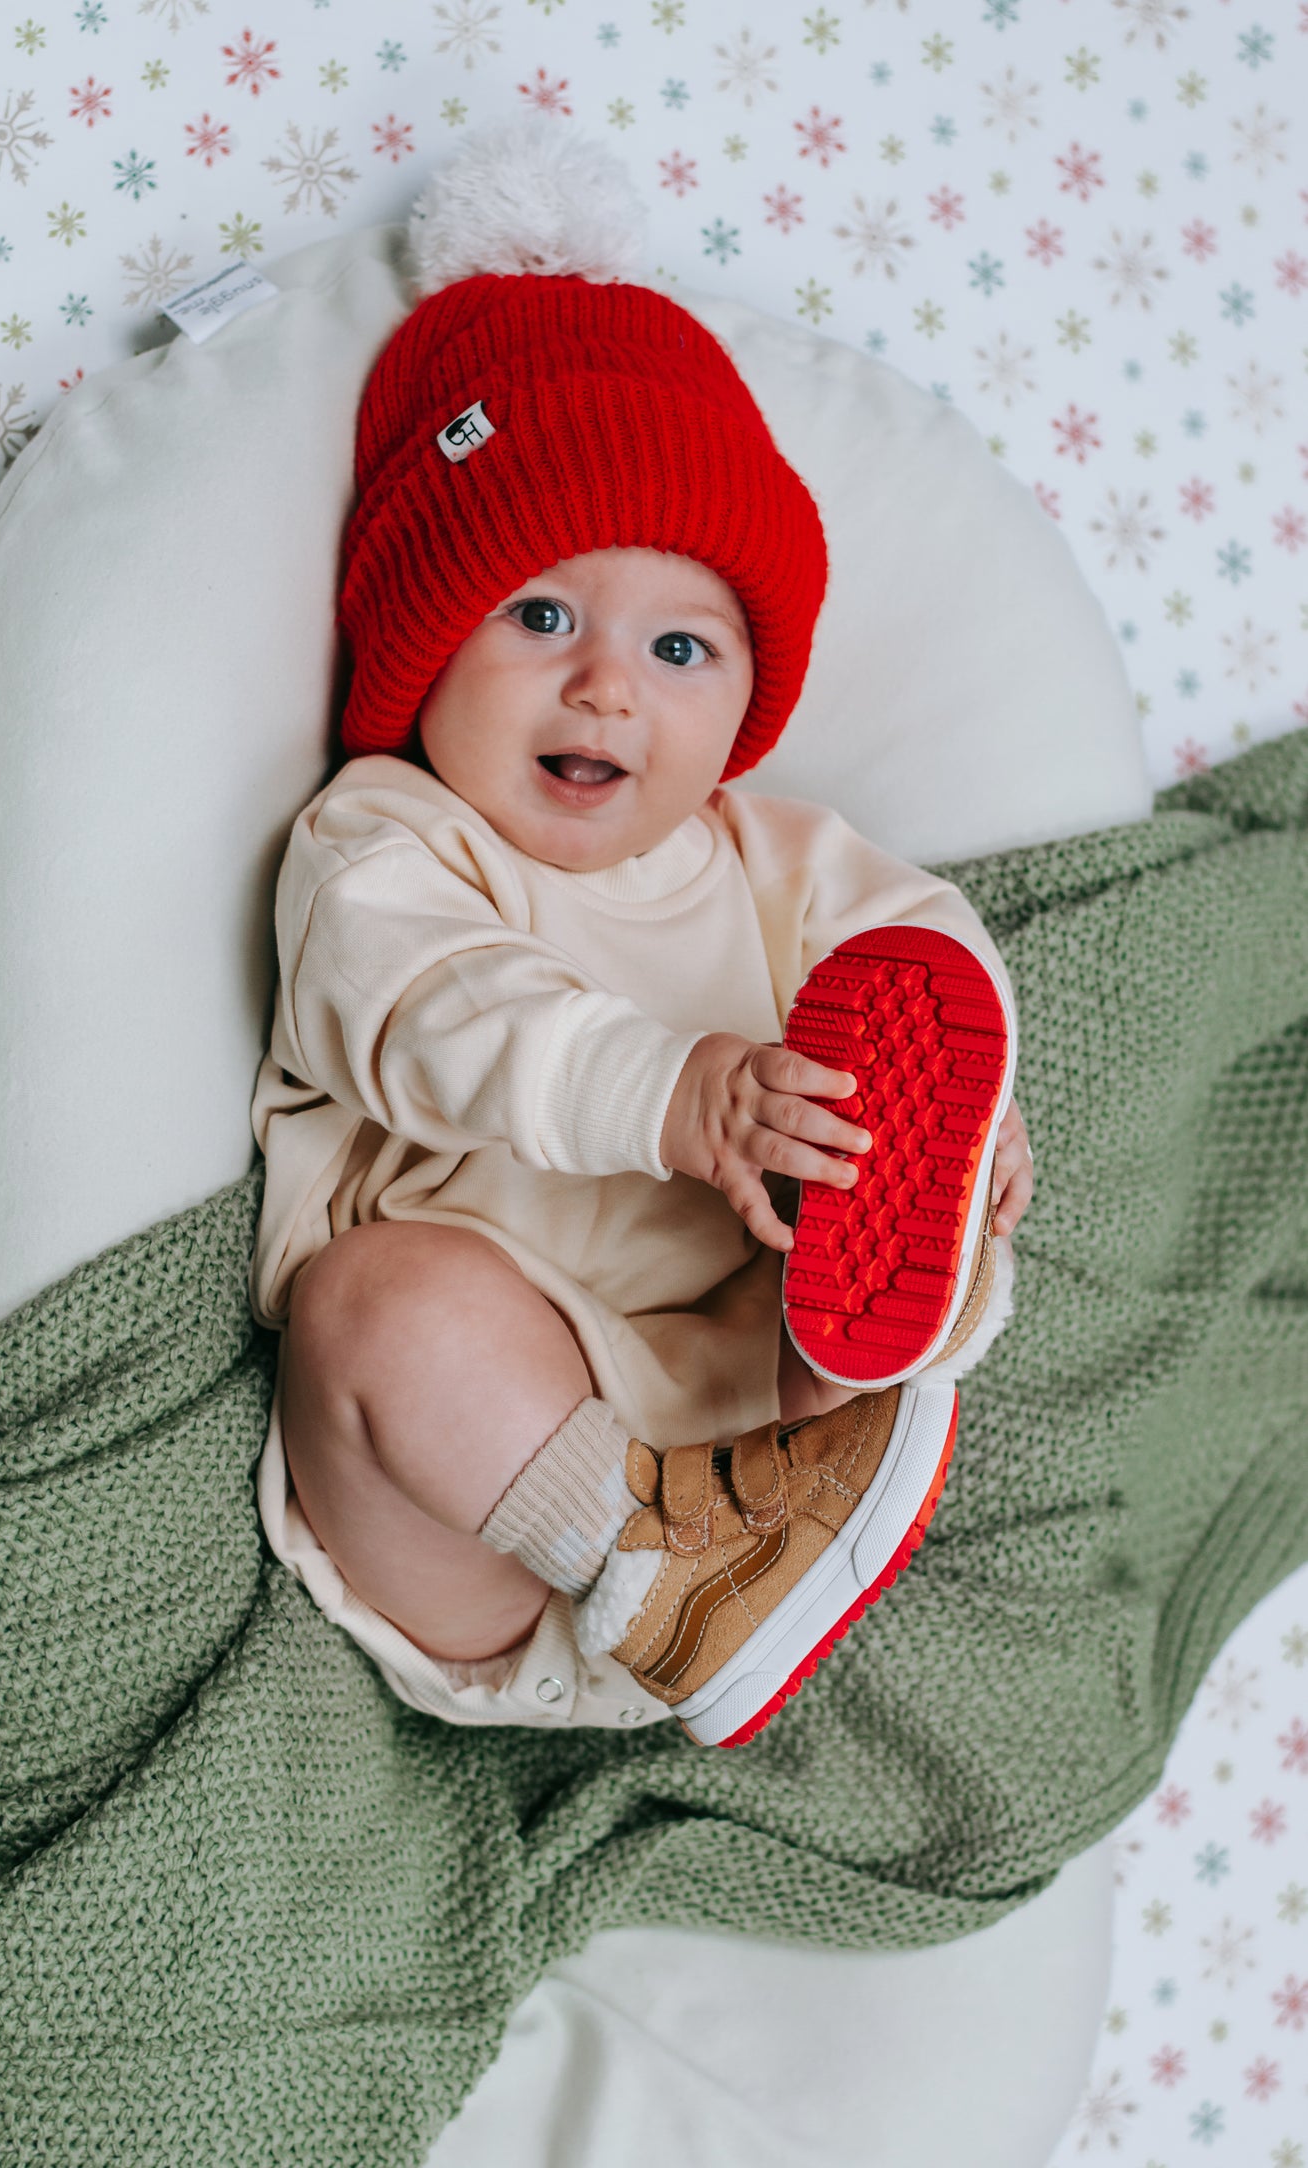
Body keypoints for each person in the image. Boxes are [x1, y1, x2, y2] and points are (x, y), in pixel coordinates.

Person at [248, 260, 1033, 1748]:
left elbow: (924, 957)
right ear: (425, 637)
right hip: (473, 1519)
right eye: (541, 616)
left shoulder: (777, 856)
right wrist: (669, 1098)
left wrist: (958, 1139)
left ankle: (809, 1471)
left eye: (680, 649)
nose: (607, 687)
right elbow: (428, 1007)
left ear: (742, 702)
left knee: (855, 1167)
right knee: (378, 1308)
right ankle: (653, 1567)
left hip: (758, 1474)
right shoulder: (382, 841)